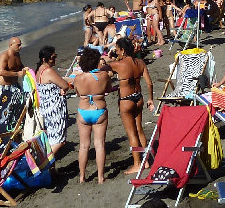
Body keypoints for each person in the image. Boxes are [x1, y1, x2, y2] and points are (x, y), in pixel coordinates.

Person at [101, 37, 154, 174]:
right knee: (139, 130)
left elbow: (102, 67)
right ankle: (146, 160)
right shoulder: (140, 62)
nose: (117, 52)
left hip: (126, 100)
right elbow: (149, 83)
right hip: (139, 98)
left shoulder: (119, 64)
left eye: (118, 50)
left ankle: (137, 164)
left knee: (132, 134)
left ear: (123, 50)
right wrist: (151, 99)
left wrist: (109, 56)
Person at [74, 48, 111, 183]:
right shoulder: (104, 75)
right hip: (99, 110)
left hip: (84, 111)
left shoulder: (78, 78)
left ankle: (82, 177)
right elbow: (108, 89)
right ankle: (101, 177)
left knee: (84, 146)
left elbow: (78, 93)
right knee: (99, 144)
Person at [35, 46, 71, 157]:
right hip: (54, 108)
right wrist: (63, 88)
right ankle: (46, 163)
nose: (55, 59)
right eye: (53, 57)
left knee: (52, 139)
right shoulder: (48, 71)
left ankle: (51, 168)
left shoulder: (39, 70)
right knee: (60, 141)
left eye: (55, 57)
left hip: (46, 107)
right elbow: (65, 85)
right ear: (45, 59)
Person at [0, 37, 27, 136]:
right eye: (18, 45)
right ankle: (3, 131)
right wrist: (18, 74)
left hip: (15, 85)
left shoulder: (17, 55)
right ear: (11, 45)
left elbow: (19, 66)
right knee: (5, 110)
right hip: (5, 87)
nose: (20, 47)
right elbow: (1, 72)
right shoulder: (4, 56)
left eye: (20, 44)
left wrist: (24, 68)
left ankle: (16, 129)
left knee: (20, 106)